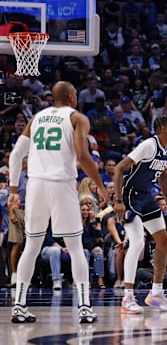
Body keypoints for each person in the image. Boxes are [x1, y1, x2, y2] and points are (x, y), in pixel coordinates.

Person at [8, 81, 106, 323]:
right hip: (61, 184)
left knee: (31, 246)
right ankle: (84, 307)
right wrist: (101, 185)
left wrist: (12, 188)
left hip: (36, 185)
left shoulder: (37, 118)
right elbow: (82, 155)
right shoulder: (77, 118)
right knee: (75, 247)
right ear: (72, 96)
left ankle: (19, 306)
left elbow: (16, 155)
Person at [112, 115, 167, 314]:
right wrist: (118, 201)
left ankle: (156, 294)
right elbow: (119, 169)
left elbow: (164, 178)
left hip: (146, 196)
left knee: (164, 241)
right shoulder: (149, 145)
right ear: (163, 127)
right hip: (130, 195)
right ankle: (127, 298)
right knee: (138, 243)